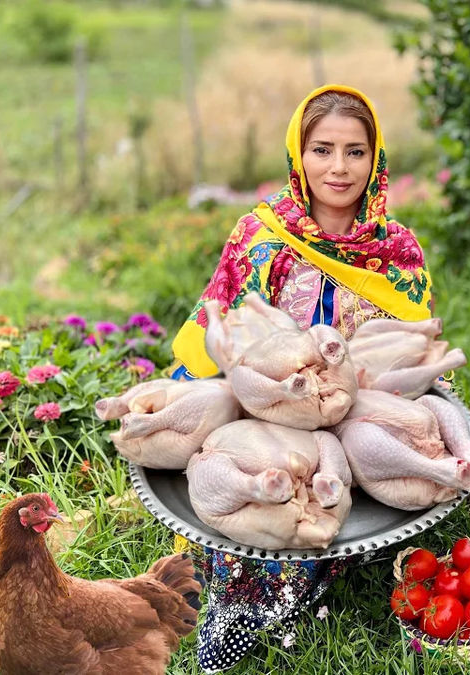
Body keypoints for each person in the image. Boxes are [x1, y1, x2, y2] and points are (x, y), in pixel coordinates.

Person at [169, 84, 435, 672]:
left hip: (356, 405)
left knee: (358, 465)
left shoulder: (397, 250)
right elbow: (226, 335)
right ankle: (247, 602)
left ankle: (311, 572)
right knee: (261, 478)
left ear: (376, 159)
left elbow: (411, 349)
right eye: (322, 150)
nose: (339, 168)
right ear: (298, 155)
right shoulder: (261, 237)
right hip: (267, 407)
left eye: (355, 151)